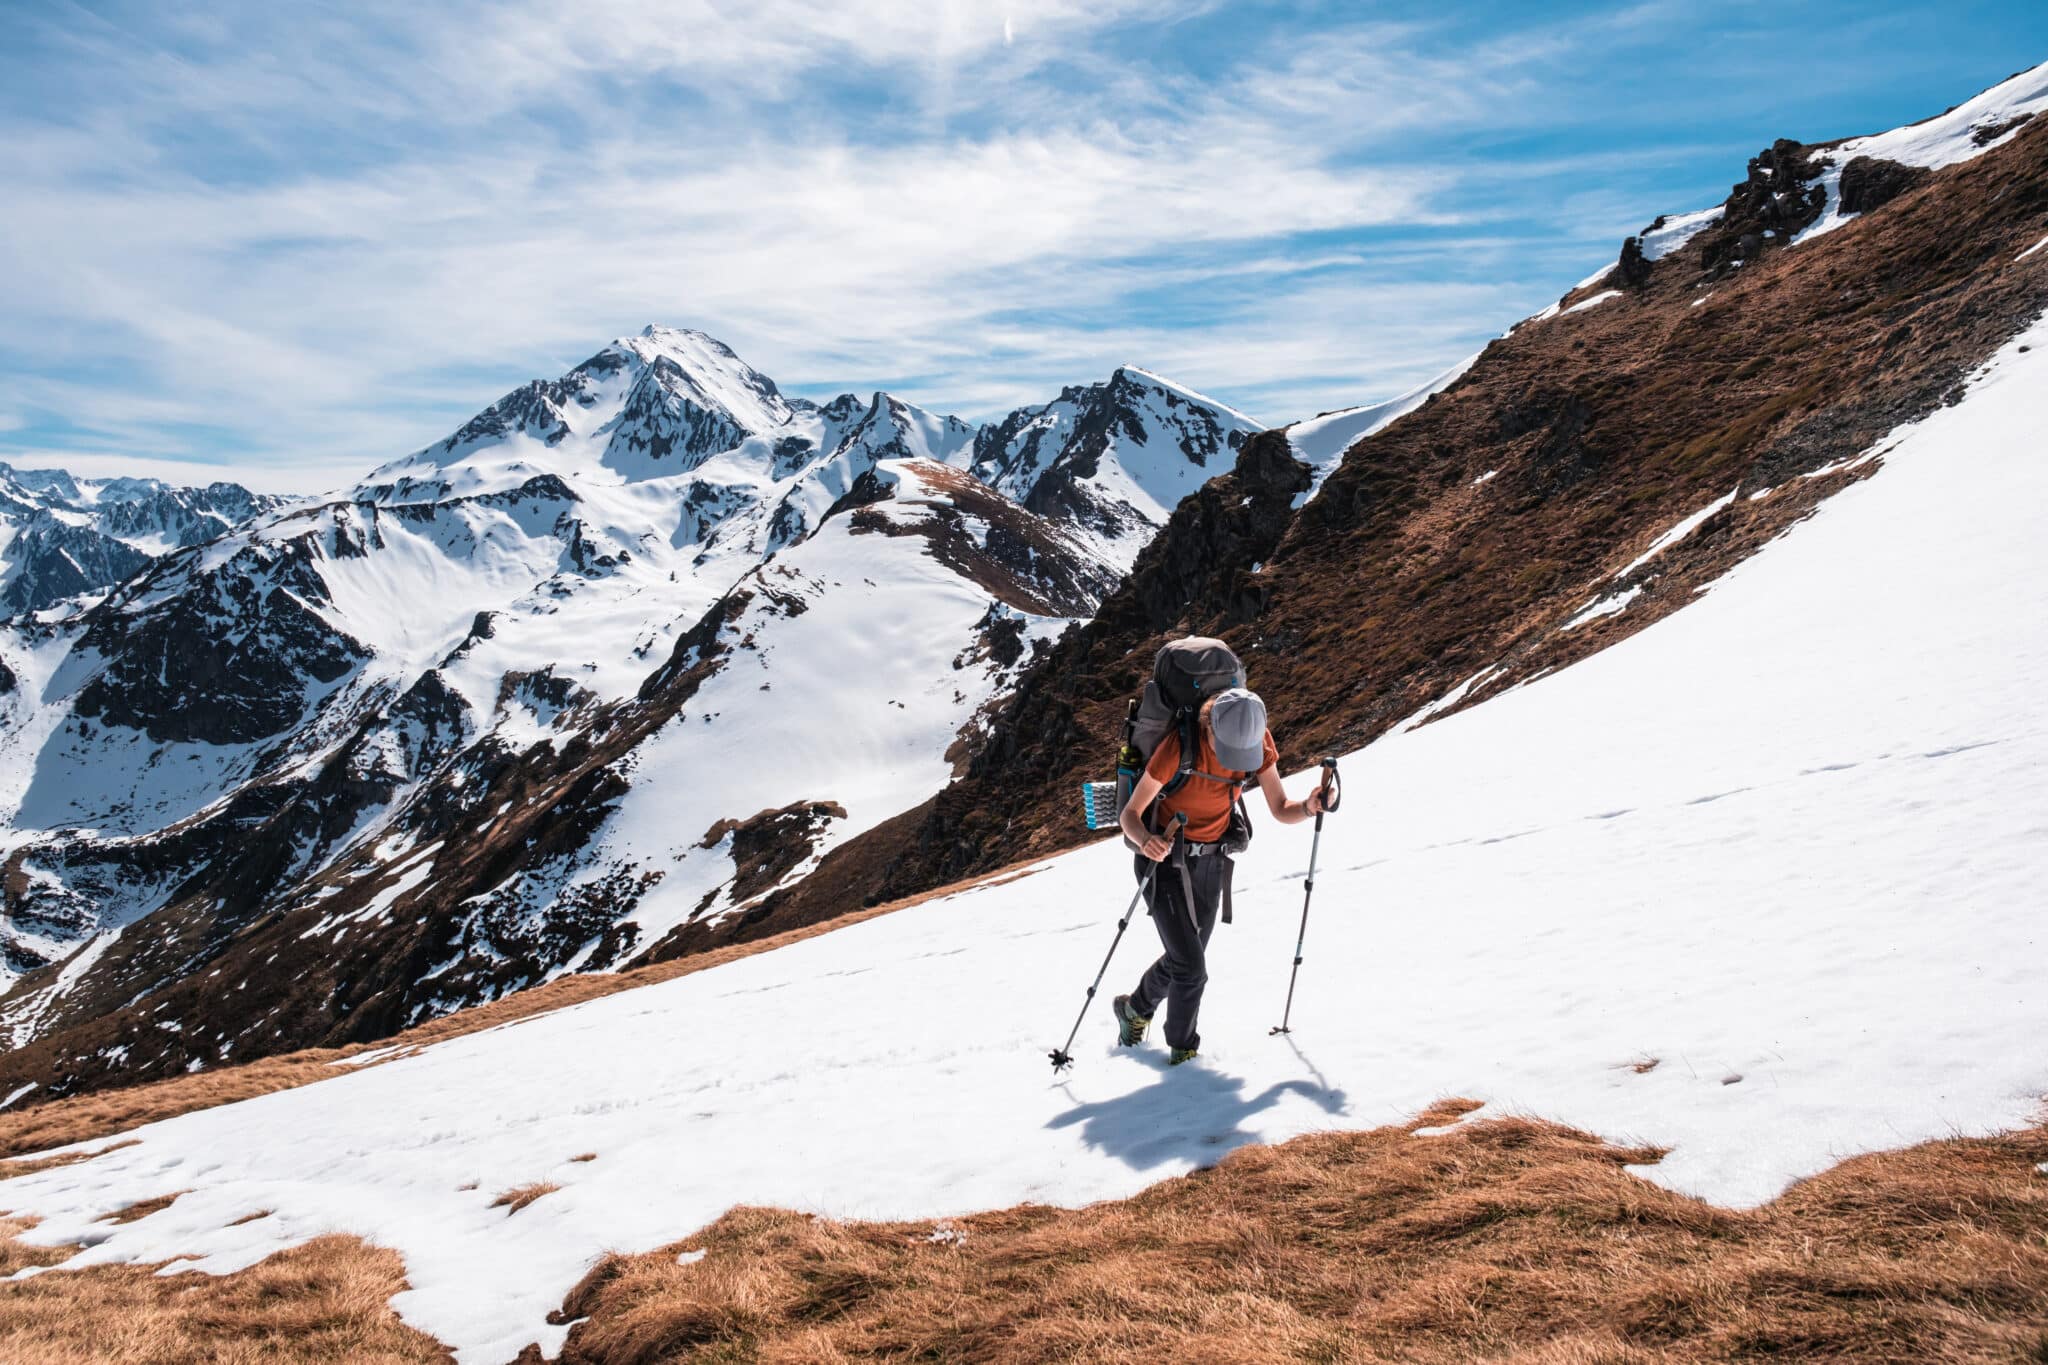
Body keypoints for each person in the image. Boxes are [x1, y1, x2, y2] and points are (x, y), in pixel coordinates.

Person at [1113, 686, 1327, 1064]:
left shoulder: (1256, 740)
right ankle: (1183, 1052)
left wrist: (1309, 807)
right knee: (1191, 967)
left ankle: (1135, 1009)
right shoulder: (1179, 747)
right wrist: (1146, 840)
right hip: (1163, 863)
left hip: (1212, 863)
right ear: (1207, 726)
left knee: (1185, 959)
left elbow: (1280, 807)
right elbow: (1130, 815)